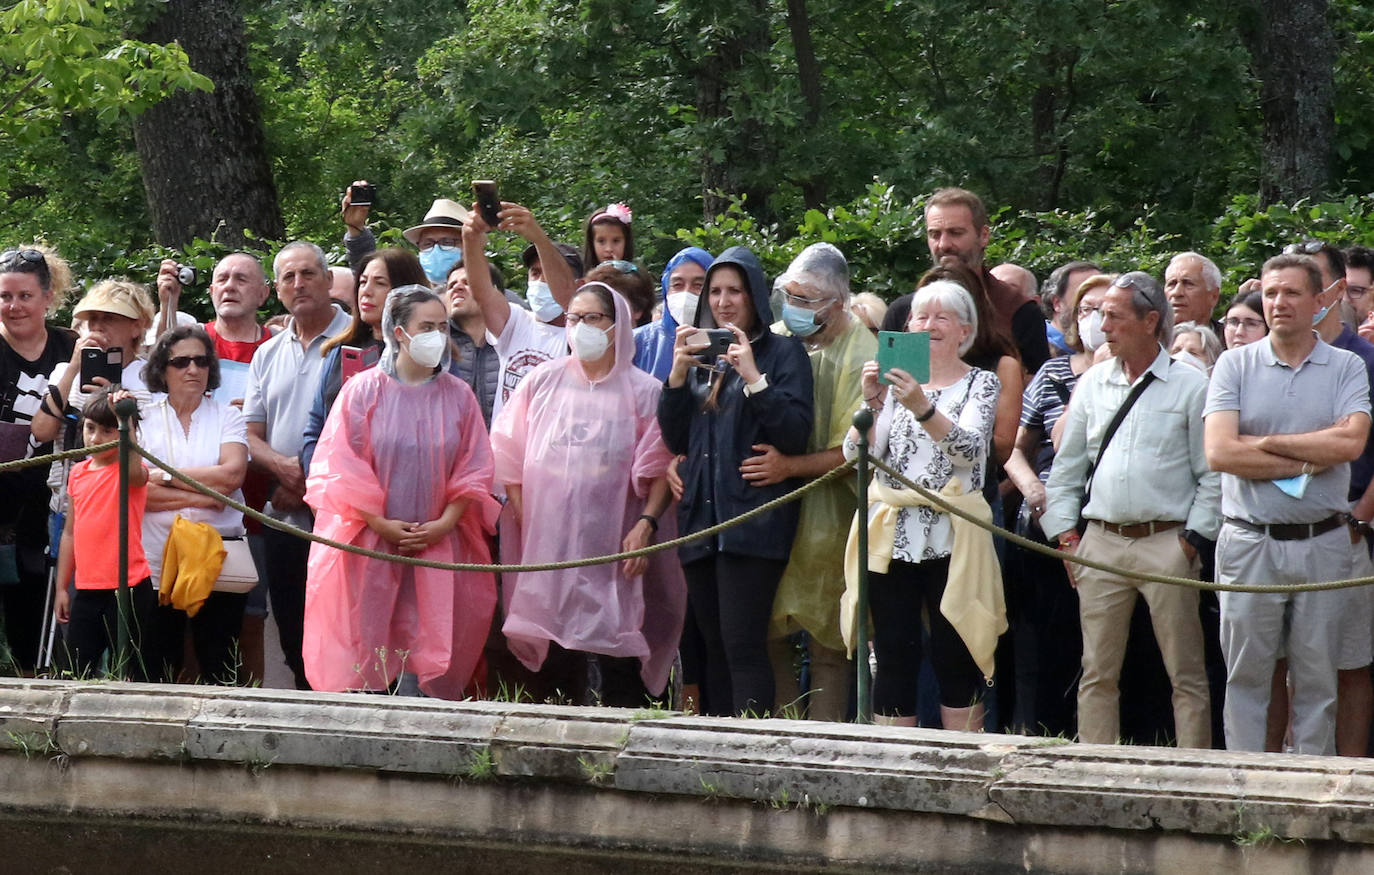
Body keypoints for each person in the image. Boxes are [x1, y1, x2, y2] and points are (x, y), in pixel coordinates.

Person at [1041, 272, 1219, 748]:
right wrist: (1066, 536)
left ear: (1150, 321)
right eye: (1100, 315)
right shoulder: (1093, 382)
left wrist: (1191, 541)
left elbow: (1213, 475)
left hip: (1168, 541)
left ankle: (1196, 778)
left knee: (1186, 672)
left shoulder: (1190, 384)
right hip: (1099, 542)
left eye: (1114, 316)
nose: (1103, 326)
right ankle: (1095, 772)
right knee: (1096, 671)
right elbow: (1067, 468)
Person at [1204, 252, 1371, 755]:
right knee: (1247, 677)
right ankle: (1244, 796)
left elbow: (1351, 446)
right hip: (1248, 543)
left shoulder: (1346, 366)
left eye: (1292, 292)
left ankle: (1308, 799)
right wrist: (1309, 450)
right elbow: (1219, 452)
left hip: (1322, 542)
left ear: (1321, 301)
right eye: (1271, 292)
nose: (1278, 303)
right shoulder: (1234, 363)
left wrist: (1259, 443)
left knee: (1318, 680)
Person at [304, 286, 500, 698]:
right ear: (399, 332)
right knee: (368, 653)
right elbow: (340, 467)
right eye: (426, 326)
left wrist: (444, 523)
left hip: (440, 545)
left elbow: (475, 466)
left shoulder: (458, 396)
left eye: (442, 327)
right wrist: (381, 523)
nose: (437, 335)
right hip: (371, 546)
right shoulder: (362, 392)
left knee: (427, 646)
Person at [491, 282, 682, 705]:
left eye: (591, 318)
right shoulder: (542, 382)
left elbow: (657, 469)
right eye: (573, 319)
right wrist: (528, 520)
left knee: (617, 650)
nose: (579, 327)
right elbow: (509, 453)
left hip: (614, 545)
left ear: (618, 325)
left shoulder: (644, 391)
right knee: (554, 652)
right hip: (550, 547)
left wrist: (645, 526)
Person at [658, 246, 814, 716]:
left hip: (752, 523)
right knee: (713, 645)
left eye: (735, 291)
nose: (724, 301)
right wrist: (678, 376)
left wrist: (754, 377)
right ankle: (716, 751)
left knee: (743, 642)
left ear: (754, 297)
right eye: (716, 291)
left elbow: (793, 433)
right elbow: (675, 437)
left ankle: (752, 749)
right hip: (701, 521)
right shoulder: (702, 350)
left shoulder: (783, 351)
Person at [843, 279, 1003, 730]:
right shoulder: (894, 384)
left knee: (957, 653)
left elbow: (970, 452)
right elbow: (852, 457)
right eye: (920, 316)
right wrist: (872, 401)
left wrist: (922, 406)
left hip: (954, 538)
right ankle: (890, 765)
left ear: (963, 330)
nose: (928, 325)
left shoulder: (981, 383)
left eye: (941, 317)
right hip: (892, 535)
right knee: (893, 653)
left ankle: (964, 763)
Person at [758, 244, 876, 720]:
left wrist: (789, 467)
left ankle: (822, 744)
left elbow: (856, 450)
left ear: (838, 302)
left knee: (830, 640)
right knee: (770, 636)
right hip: (770, 507)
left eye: (807, 299)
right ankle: (778, 739)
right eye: (791, 295)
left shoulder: (865, 352)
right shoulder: (778, 338)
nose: (796, 308)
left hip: (835, 515)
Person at [1002, 272, 1114, 736]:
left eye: (1106, 310)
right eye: (1086, 309)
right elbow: (1017, 449)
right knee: (1046, 640)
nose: (1095, 319)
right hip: (1052, 522)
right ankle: (1043, 734)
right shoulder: (1051, 373)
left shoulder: (1143, 376)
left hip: (1114, 520)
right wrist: (1033, 491)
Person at [243, 241, 353, 689]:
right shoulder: (267, 353)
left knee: (346, 627)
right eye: (288, 276)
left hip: (346, 514)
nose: (299, 283)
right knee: (293, 625)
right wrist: (284, 473)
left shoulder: (358, 341)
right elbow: (250, 435)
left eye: (308, 273)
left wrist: (308, 482)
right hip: (283, 511)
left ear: (329, 280)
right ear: (277, 289)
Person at [139, 327, 249, 685]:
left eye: (201, 361)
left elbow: (232, 476)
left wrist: (163, 477)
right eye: (181, 361)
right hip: (157, 563)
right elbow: (137, 493)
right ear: (162, 369)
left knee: (221, 668)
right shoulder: (141, 418)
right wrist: (204, 495)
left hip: (218, 558)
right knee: (154, 670)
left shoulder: (228, 416)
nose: (192, 369)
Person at [0, 246, 78, 673]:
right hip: (2, 501)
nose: (13, 307)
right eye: (5, 296)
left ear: (47, 297)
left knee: (36, 631)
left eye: (24, 296)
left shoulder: (72, 346)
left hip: (49, 509)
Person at [881, 187, 1049, 375]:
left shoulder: (1018, 310)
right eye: (935, 234)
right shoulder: (903, 312)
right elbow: (890, 392)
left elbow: (1038, 394)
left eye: (956, 233)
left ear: (983, 235)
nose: (944, 244)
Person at [53, 387, 153, 679]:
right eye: (90, 428)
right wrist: (62, 587)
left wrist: (126, 421)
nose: (95, 438)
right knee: (75, 671)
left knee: (131, 672)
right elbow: (70, 532)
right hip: (87, 588)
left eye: (108, 430)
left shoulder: (130, 468)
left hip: (129, 588)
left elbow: (135, 469)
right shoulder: (78, 473)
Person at [300, 248, 428, 475]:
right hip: (337, 493)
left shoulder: (428, 358)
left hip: (407, 489)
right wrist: (318, 485)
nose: (366, 292)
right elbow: (316, 427)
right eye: (362, 282)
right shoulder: (339, 350)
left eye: (380, 283)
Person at [461, 201, 579, 420]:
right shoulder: (517, 322)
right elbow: (482, 292)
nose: (541, 282)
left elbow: (568, 298)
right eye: (535, 273)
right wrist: (470, 239)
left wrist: (539, 239)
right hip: (505, 451)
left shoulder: (583, 336)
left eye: (549, 274)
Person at [634, 247, 714, 381]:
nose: (686, 293)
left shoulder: (728, 342)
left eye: (698, 285)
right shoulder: (638, 342)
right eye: (677, 285)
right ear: (666, 289)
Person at [443, 257, 501, 428]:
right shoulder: (437, 345)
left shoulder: (514, 342)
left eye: (467, 282)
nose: (457, 288)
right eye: (451, 285)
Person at [1040, 261, 1103, 356]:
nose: (1096, 301)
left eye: (1102, 294)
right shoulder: (1038, 348)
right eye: (1083, 293)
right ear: (1057, 303)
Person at [1164, 252, 1223, 334]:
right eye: (1171, 284)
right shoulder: (1147, 340)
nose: (1176, 292)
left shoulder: (1234, 340)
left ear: (1213, 296)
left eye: (1188, 283)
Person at [582, 202, 635, 268]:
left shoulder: (637, 276)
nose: (609, 249)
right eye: (601, 241)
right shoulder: (581, 276)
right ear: (591, 243)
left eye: (616, 241)